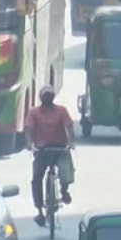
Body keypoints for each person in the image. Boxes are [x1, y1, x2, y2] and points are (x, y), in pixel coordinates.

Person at [26, 85, 75, 226]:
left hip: (59, 148)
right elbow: (29, 129)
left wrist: (70, 144)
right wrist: (31, 145)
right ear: (41, 97)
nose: (47, 97)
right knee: (36, 178)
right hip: (41, 150)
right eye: (45, 95)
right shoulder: (34, 112)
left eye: (50, 95)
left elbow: (69, 128)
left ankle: (64, 190)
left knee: (66, 170)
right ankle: (40, 211)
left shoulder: (61, 111)